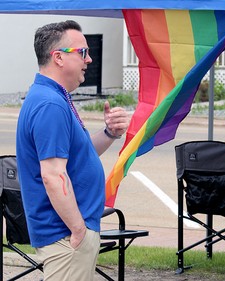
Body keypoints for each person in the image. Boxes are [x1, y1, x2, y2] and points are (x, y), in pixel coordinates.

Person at [16, 20, 130, 280]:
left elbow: (80, 156)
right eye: (82, 53)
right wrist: (78, 230)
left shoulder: (55, 97)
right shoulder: (50, 105)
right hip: (66, 236)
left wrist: (110, 133)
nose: (89, 59)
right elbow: (53, 175)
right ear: (58, 57)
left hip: (70, 234)